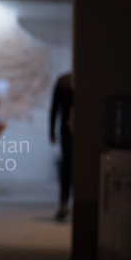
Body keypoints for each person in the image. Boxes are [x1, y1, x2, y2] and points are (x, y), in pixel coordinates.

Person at [49, 73, 73, 221]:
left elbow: (55, 107)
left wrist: (51, 130)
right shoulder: (85, 79)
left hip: (66, 130)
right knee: (71, 166)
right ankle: (66, 202)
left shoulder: (64, 81)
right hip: (74, 130)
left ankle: (64, 202)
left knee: (67, 166)